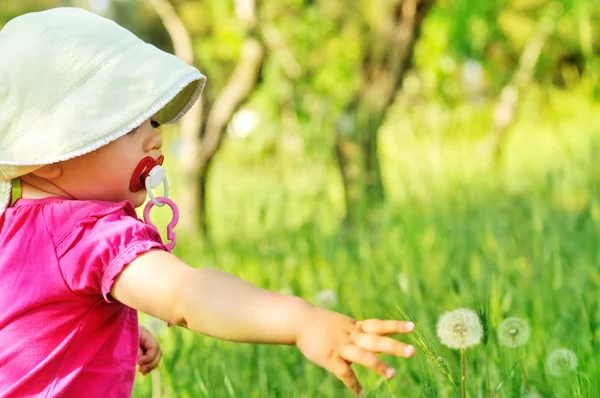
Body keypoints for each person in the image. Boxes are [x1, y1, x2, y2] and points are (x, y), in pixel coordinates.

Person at [0, 7, 416, 398]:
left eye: (154, 120)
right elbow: (186, 295)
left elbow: (26, 321)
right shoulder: (91, 232)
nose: (155, 137)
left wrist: (109, 328)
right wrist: (301, 321)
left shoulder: (12, 228)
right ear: (47, 157)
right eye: (126, 127)